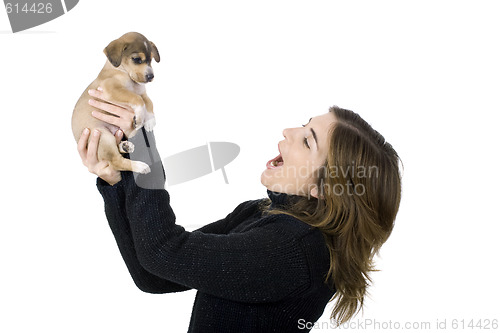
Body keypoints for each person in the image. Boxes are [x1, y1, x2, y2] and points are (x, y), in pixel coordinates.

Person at [77, 89, 402, 332]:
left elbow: (163, 252)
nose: (289, 132)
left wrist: (140, 142)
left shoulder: (293, 250)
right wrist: (118, 179)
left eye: (307, 141)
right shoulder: (262, 214)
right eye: (303, 125)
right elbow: (153, 274)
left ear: (325, 188)